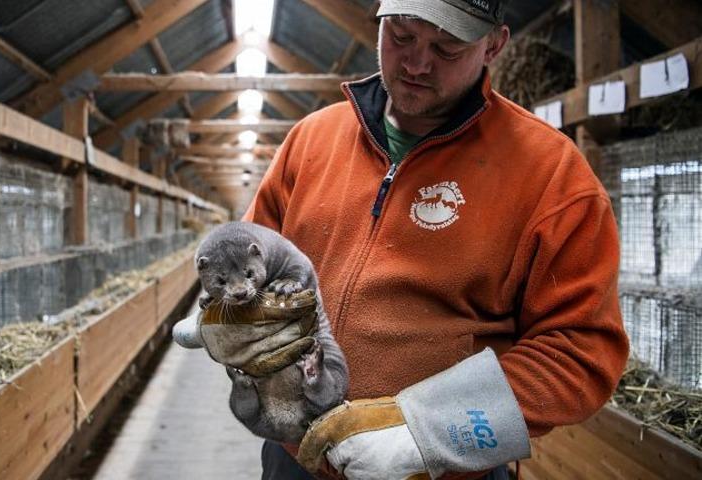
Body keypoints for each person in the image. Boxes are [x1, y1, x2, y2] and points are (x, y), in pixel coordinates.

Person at [240, 0, 630, 479]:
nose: (417, 63)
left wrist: (429, 433)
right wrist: (239, 328)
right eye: (401, 36)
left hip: (439, 472)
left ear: (494, 45)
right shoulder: (311, 141)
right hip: (297, 458)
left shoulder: (550, 176)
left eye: (447, 47)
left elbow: (581, 348)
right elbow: (253, 261)